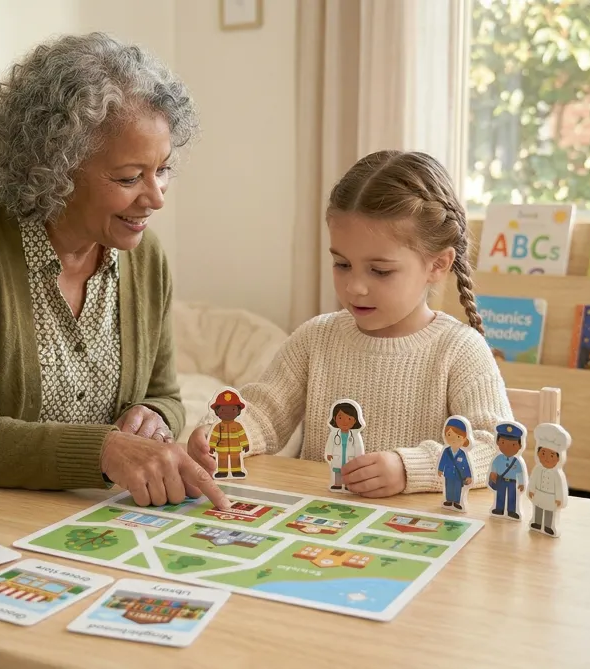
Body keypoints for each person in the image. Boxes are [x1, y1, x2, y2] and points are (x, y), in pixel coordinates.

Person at [0, 32, 231, 540]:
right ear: (55, 166)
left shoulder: (146, 259)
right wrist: (104, 450)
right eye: (130, 177)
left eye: (162, 171)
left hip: (70, 516)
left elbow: (164, 393)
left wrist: (153, 417)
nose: (156, 198)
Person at [183, 150, 514, 498]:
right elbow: (266, 411)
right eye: (342, 264)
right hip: (322, 527)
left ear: (437, 265)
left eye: (380, 270)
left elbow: (494, 447)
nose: (355, 286)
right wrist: (221, 433)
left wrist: (408, 469)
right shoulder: (316, 338)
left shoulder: (460, 350)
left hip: (418, 534)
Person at [528, 423, 572, 536]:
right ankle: (536, 523)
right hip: (538, 493)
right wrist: (531, 490)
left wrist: (559, 498)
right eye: (543, 453)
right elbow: (533, 480)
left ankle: (548, 527)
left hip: (551, 496)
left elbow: (559, 486)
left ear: (558, 457)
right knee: (538, 508)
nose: (546, 458)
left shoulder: (557, 474)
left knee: (549, 511)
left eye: (551, 455)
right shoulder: (537, 469)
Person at [489, 422, 527, 520]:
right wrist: (493, 473)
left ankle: (512, 511)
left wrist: (522, 483)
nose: (507, 447)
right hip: (501, 480)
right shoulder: (498, 458)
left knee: (512, 496)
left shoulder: (517, 461)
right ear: (497, 443)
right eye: (503, 443)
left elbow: (520, 473)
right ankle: (499, 509)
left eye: (513, 444)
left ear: (520, 446)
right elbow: (494, 467)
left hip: (512, 482)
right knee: (500, 495)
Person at [207, 388, 250, 478]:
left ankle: (237, 471)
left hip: (236, 449)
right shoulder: (217, 426)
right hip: (222, 449)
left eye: (233, 409)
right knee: (222, 460)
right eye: (223, 410)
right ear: (217, 412)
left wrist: (246, 444)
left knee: (236, 460)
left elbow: (242, 435)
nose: (228, 412)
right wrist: (211, 447)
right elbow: (214, 437)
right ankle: (222, 472)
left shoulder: (238, 426)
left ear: (238, 411)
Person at [325, 400, 366, 491]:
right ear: (335, 418)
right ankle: (337, 484)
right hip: (337, 456)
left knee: (349, 471)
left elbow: (358, 447)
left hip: (350, 457)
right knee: (337, 471)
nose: (344, 422)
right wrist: (328, 453)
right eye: (340, 418)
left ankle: (348, 485)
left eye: (349, 419)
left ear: (355, 420)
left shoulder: (355, 436)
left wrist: (359, 457)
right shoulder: (334, 434)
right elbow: (330, 444)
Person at [437, 416, 474, 511]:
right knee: (448, 487)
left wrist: (469, 476)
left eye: (458, 436)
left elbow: (467, 466)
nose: (453, 439)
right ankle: (449, 500)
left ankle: (457, 501)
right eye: (449, 435)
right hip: (448, 473)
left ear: (464, 438)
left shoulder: (463, 453)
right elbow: (443, 461)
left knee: (457, 488)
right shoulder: (446, 451)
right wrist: (440, 469)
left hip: (458, 475)